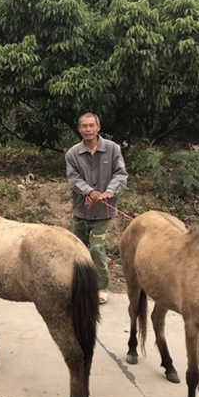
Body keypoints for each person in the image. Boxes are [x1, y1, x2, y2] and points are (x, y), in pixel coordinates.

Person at [65, 112, 128, 305]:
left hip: (104, 211)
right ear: (79, 129)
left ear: (98, 128)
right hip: (81, 210)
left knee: (97, 248)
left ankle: (101, 286)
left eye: (91, 125)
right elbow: (73, 178)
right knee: (77, 249)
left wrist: (109, 191)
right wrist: (89, 191)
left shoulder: (112, 149)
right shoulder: (72, 153)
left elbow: (121, 174)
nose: (88, 130)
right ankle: (78, 284)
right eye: (84, 126)